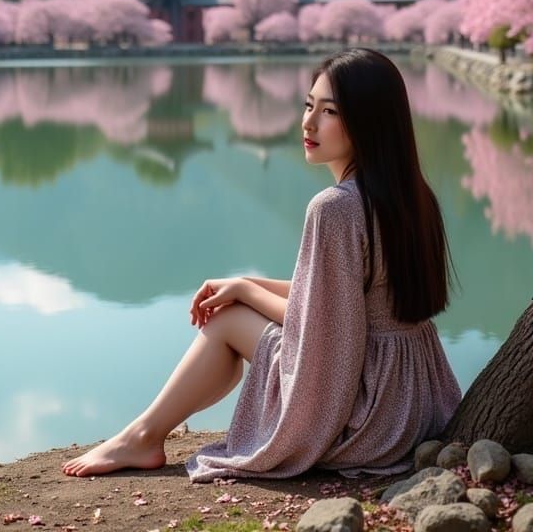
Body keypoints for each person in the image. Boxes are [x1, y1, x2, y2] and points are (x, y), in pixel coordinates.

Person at [62, 49, 461, 482]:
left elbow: (326, 330)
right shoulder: (414, 194)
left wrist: (245, 294)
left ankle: (142, 436)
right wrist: (245, 281)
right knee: (232, 304)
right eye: (309, 105)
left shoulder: (335, 208)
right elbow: (343, 295)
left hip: (364, 413)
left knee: (228, 319)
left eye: (329, 111)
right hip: (413, 402)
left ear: (369, 120)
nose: (308, 123)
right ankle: (142, 436)